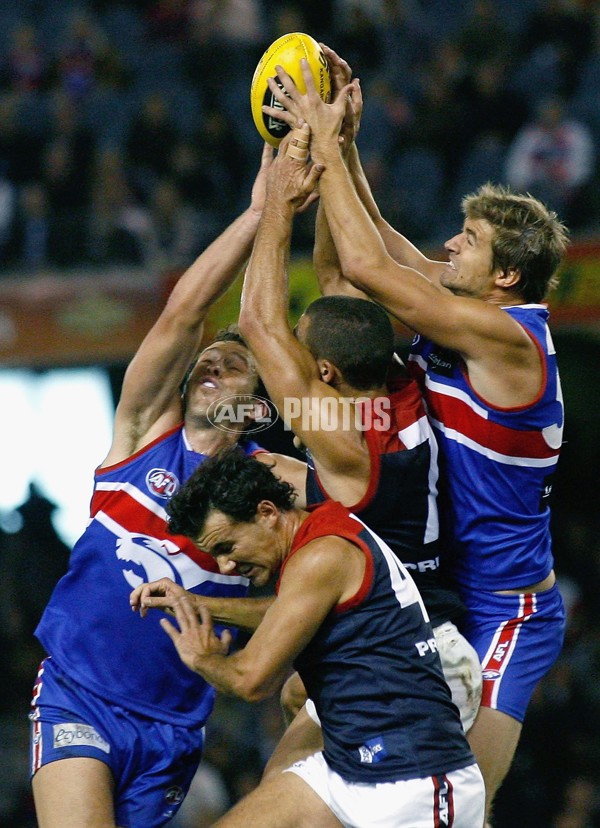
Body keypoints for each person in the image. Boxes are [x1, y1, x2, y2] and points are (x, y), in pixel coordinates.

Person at [263, 48, 568, 825]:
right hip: (438, 592)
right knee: (305, 752)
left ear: (505, 279)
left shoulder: (508, 343)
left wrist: (321, 138)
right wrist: (350, 147)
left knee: (467, 802)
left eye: (468, 240)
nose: (450, 247)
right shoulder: (468, 307)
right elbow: (381, 246)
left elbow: (365, 264)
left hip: (504, 610)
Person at [28, 145, 305, 828]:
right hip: (77, 692)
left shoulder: (277, 490)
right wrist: (257, 214)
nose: (214, 363)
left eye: (235, 363)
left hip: (175, 725)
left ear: (257, 402)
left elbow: (303, 597)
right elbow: (185, 312)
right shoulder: (145, 431)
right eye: (207, 362)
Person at [155, 446, 486, 828]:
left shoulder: (321, 555)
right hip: (347, 770)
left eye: (227, 547)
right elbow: (287, 612)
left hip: (414, 781)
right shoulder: (318, 535)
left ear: (267, 513)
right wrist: (195, 604)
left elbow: (250, 680)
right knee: (281, 753)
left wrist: (203, 658)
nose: (226, 566)